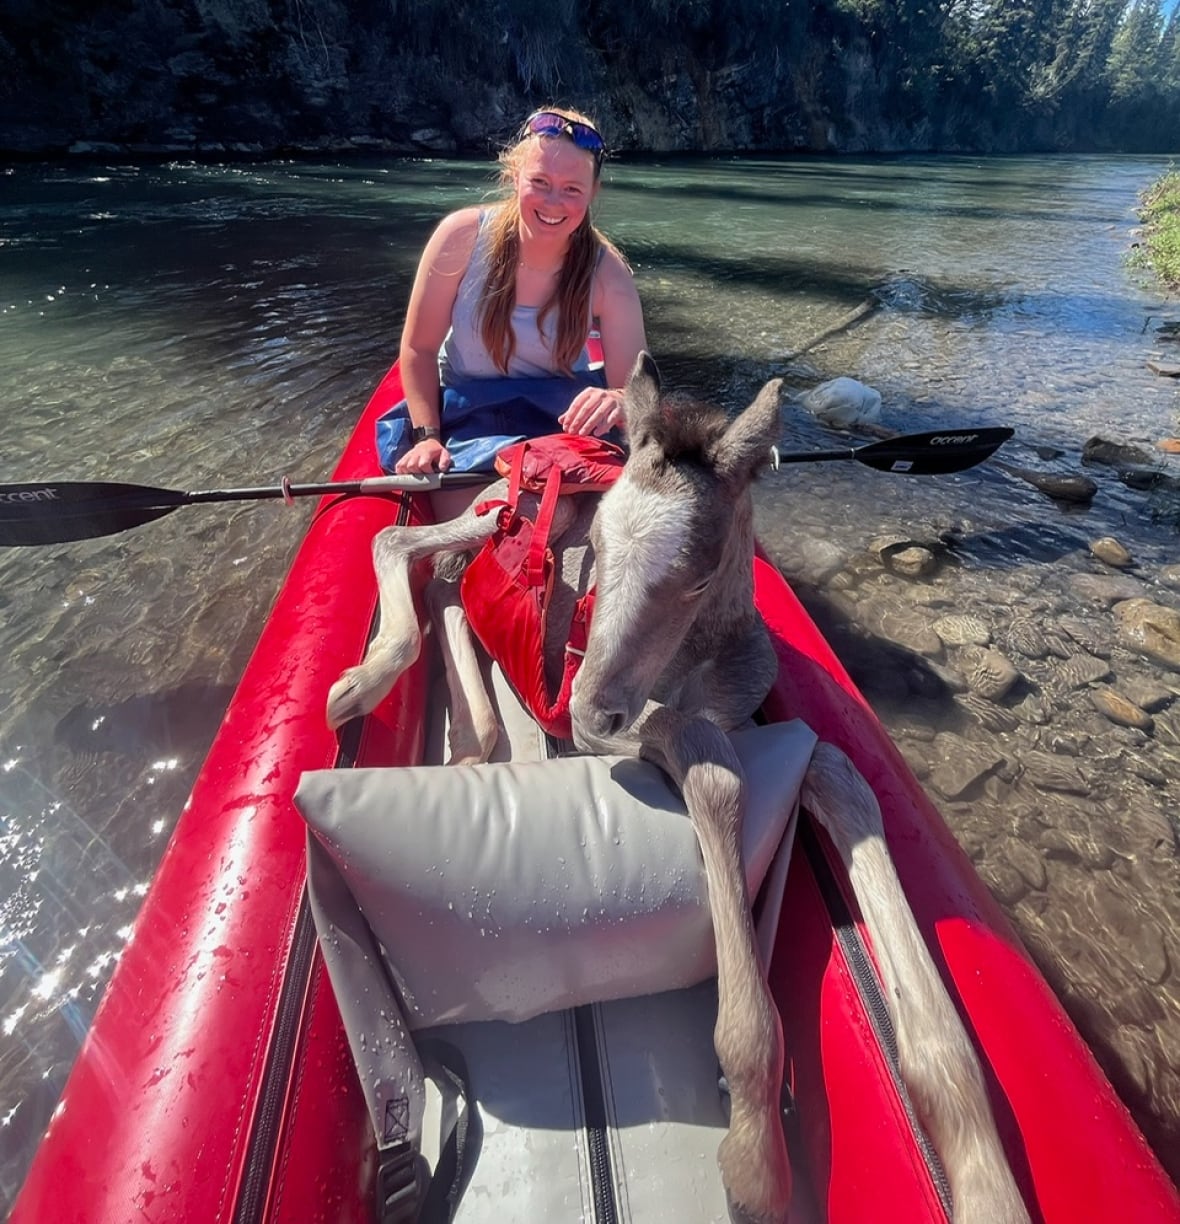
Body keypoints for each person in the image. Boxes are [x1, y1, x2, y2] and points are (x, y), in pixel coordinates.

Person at [380, 107, 648, 476]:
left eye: (572, 189)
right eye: (540, 182)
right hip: (467, 420)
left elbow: (636, 390)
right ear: (514, 176)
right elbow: (418, 349)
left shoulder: (608, 274)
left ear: (593, 193)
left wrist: (617, 400)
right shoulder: (460, 238)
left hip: (561, 425)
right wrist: (428, 436)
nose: (554, 202)